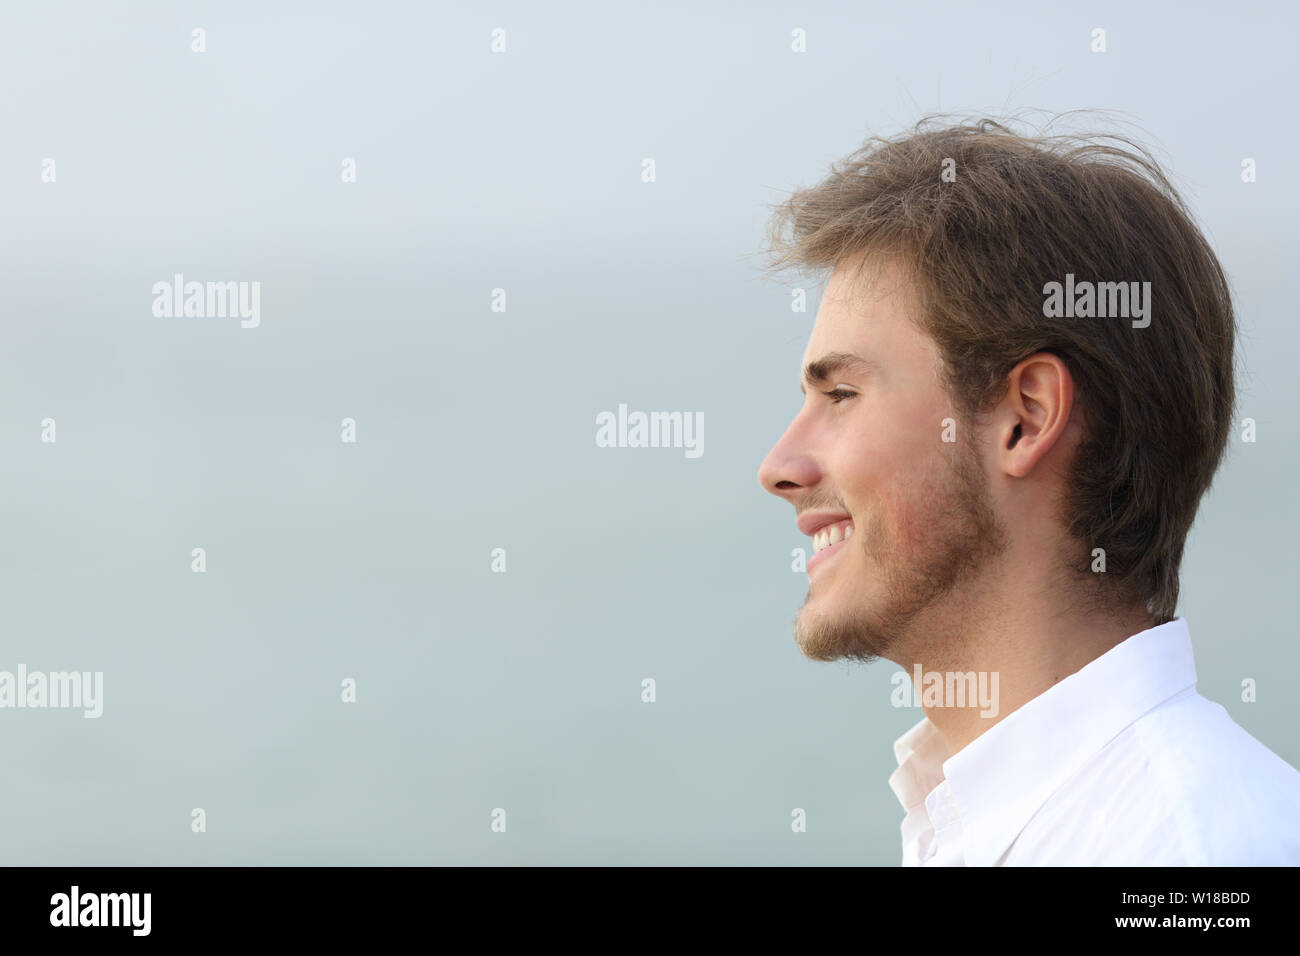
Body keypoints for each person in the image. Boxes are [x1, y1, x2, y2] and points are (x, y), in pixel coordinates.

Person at [757, 117, 1300, 866]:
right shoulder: (989, 825)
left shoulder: (1197, 857)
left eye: (842, 394)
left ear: (1026, 418)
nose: (779, 466)